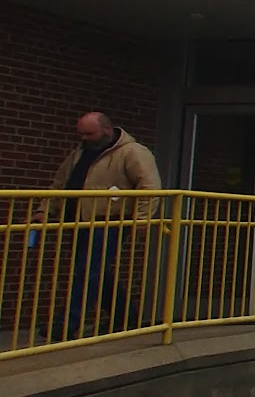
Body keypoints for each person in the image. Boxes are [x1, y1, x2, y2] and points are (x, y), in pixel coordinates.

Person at [31, 113, 162, 340]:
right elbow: (60, 184)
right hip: (79, 220)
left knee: (88, 270)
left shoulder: (132, 152)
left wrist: (142, 219)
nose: (84, 138)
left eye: (89, 133)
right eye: (81, 133)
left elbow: (149, 187)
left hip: (108, 220)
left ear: (107, 130)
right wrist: (45, 209)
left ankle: (67, 324)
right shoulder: (80, 153)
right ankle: (126, 316)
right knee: (95, 271)